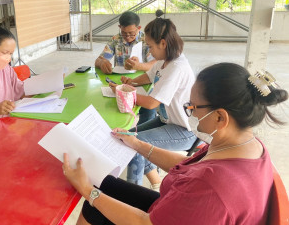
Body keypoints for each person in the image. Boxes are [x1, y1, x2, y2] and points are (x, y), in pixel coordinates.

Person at [63, 62, 288, 224]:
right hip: (182, 209)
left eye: (193, 107)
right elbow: (189, 166)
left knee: (94, 199)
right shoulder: (241, 142)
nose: (188, 110)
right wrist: (137, 144)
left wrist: (85, 189)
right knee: (106, 185)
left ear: (220, 117)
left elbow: (146, 223)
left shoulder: (213, 186)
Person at [110, 10, 196, 188]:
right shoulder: (164, 60)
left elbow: (151, 103)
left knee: (134, 143)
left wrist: (123, 92)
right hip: (167, 121)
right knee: (129, 135)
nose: (148, 50)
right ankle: (155, 181)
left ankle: (133, 192)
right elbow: (149, 76)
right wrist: (131, 81)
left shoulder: (176, 67)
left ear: (163, 43)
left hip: (184, 130)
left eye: (150, 46)